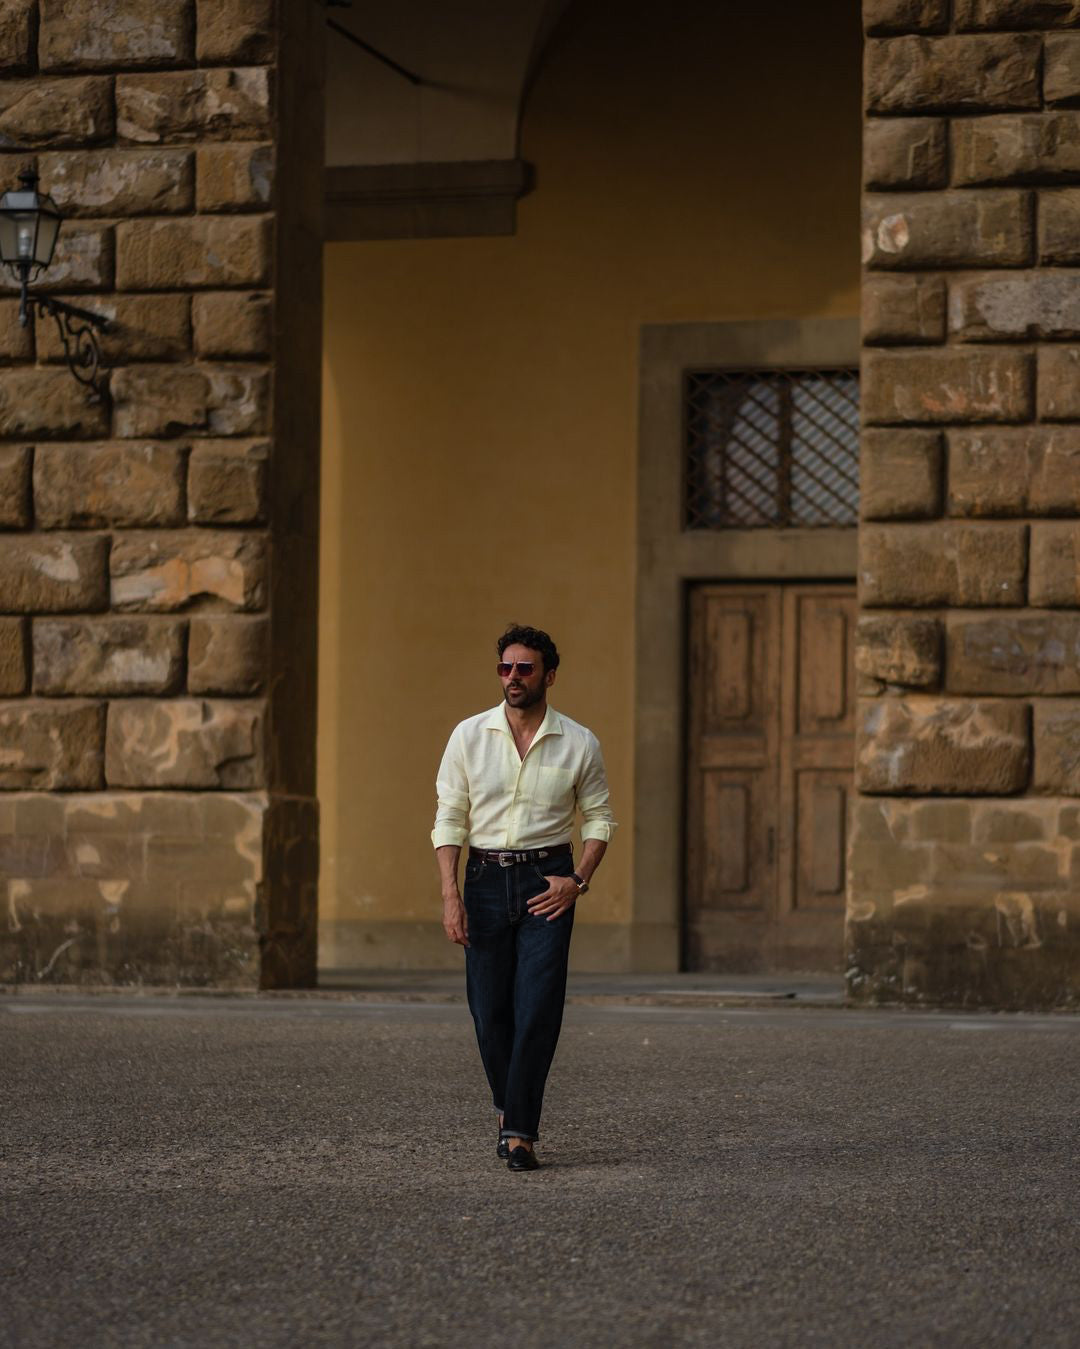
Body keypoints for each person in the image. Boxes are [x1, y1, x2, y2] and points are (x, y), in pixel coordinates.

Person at [432, 623, 616, 1172]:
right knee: (489, 1011)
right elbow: (450, 816)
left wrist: (578, 880)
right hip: (485, 880)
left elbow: (601, 818)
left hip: (547, 884)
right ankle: (507, 1105)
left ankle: (519, 1132)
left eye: (524, 668)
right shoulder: (468, 736)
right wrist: (450, 893)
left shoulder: (579, 742)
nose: (513, 677)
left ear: (549, 675)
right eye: (505, 668)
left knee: (537, 1008)